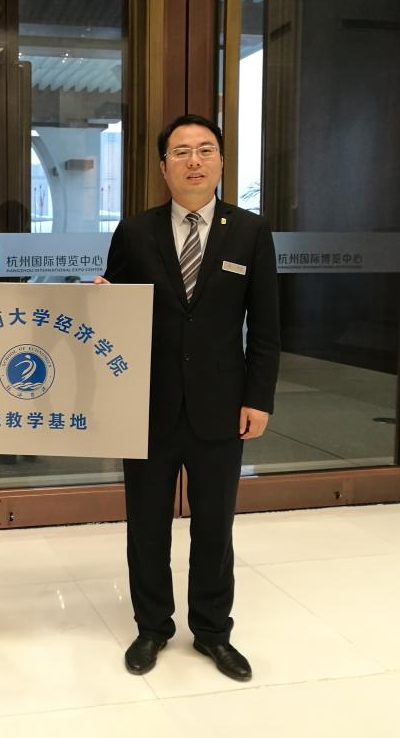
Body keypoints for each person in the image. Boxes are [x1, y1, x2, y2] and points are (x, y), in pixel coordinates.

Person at [94, 114, 279, 681]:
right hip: (147, 405)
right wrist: (100, 302)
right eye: (181, 152)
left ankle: (213, 631)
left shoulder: (249, 231)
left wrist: (259, 398)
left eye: (205, 150)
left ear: (221, 161)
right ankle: (152, 627)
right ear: (163, 166)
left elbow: (266, 325)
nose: (193, 161)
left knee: (215, 525)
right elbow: (112, 317)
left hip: (222, 405)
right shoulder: (134, 232)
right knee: (146, 525)